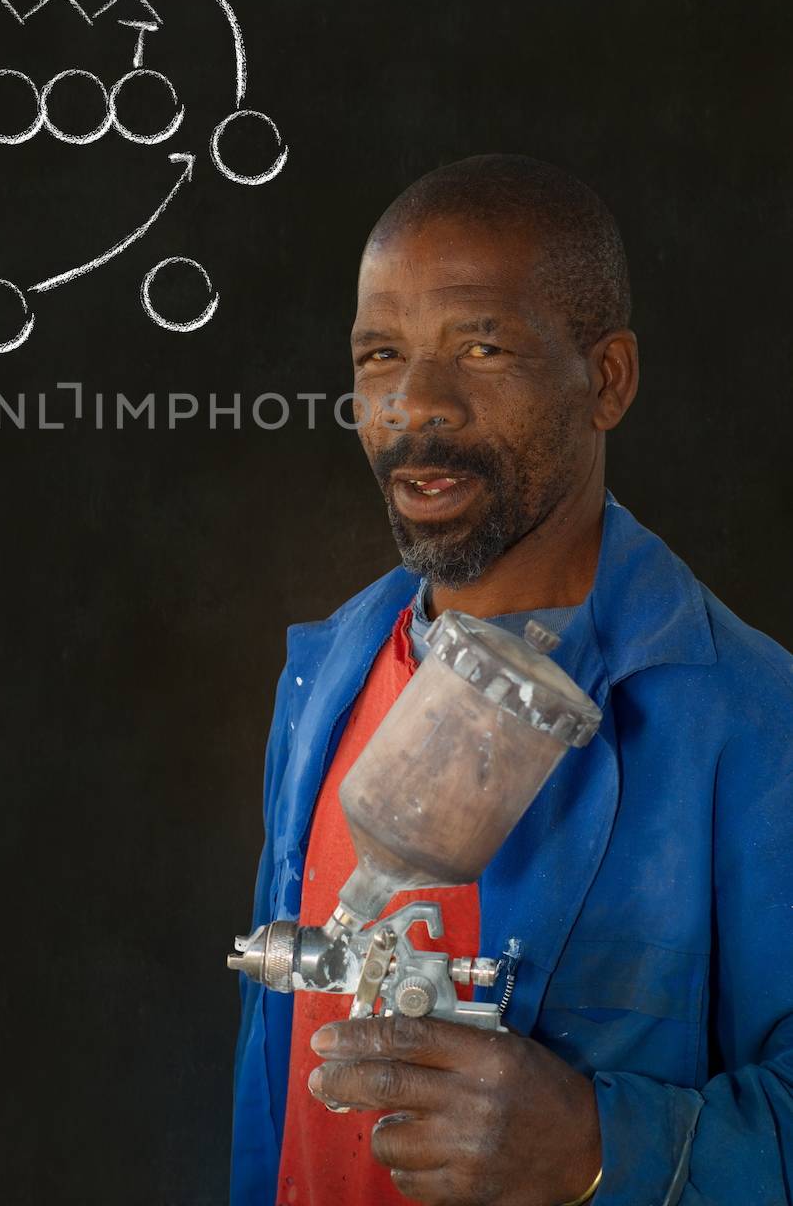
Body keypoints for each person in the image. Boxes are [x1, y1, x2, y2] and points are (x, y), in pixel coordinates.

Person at [230, 154, 793, 1206]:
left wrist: (593, 1146)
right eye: (378, 356)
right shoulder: (323, 679)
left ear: (606, 381)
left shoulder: (752, 725)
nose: (414, 408)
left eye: (479, 347)